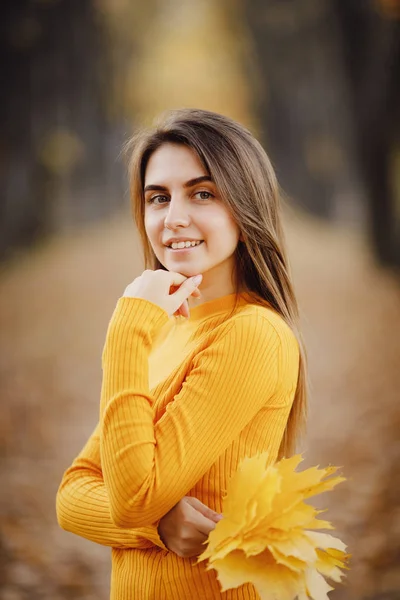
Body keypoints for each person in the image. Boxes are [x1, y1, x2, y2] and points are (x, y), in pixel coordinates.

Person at [56, 108, 307, 599]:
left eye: (203, 193)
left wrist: (127, 329)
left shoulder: (252, 334)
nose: (173, 218)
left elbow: (134, 498)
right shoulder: (169, 330)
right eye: (158, 198)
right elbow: (71, 494)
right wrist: (159, 527)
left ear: (245, 204)